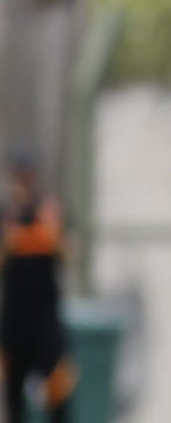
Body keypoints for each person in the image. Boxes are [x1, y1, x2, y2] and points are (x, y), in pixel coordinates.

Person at [1, 150, 75, 423]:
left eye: (27, 178)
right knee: (14, 399)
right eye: (19, 179)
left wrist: (51, 232)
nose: (23, 186)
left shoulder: (49, 213)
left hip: (46, 321)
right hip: (14, 321)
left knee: (58, 395)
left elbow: (70, 253)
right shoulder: (6, 217)